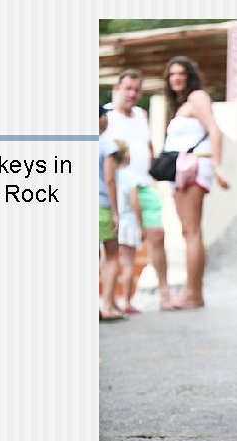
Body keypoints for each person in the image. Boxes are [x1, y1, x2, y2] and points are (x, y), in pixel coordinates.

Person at [104, 69, 176, 311]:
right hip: (118, 187)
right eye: (128, 89)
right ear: (117, 90)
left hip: (143, 184)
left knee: (157, 234)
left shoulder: (141, 115)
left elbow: (148, 146)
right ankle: (118, 300)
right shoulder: (106, 117)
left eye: (137, 90)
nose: (132, 94)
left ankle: (164, 293)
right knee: (120, 246)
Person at [162, 56, 229, 309]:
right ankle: (193, 293)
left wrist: (217, 166)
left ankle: (192, 293)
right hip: (182, 173)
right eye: (172, 74)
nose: (176, 78)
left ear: (190, 76)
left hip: (193, 170)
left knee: (191, 232)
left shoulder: (197, 98)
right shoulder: (182, 104)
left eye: (181, 73)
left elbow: (215, 129)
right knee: (189, 231)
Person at [98, 105, 124, 321]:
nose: (106, 119)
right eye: (103, 115)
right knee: (112, 256)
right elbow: (109, 179)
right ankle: (107, 304)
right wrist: (116, 211)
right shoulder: (107, 144)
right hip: (103, 207)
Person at [114, 140, 146, 314]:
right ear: (126, 155)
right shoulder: (130, 175)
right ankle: (126, 301)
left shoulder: (110, 175)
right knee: (128, 264)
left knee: (109, 260)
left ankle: (110, 300)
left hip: (115, 221)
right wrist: (141, 226)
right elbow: (135, 202)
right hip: (129, 223)